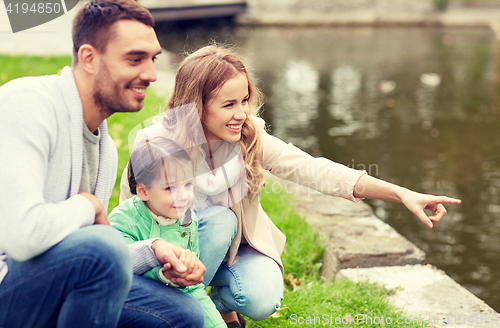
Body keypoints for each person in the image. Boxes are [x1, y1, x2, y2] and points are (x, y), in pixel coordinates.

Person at [120, 44, 462, 327]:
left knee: (262, 298)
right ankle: (183, 306)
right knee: (218, 225)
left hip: (233, 250)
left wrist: (402, 193)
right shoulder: (155, 144)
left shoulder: (248, 137)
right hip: (169, 256)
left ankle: (219, 301)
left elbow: (314, 169)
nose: (241, 113)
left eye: (244, 101)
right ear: (197, 106)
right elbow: (130, 212)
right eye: (228, 104)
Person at [0, 1, 206, 327]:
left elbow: (86, 258)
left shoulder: (105, 148)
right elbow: (23, 238)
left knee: (184, 315)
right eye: (134, 59)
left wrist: (154, 249)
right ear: (89, 58)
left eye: (152, 59)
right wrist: (88, 204)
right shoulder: (28, 105)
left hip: (47, 281)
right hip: (6, 283)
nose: (151, 74)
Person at [110, 136, 227, 328]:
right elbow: (120, 271)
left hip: (178, 292)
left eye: (188, 185)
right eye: (170, 188)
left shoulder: (187, 219)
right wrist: (162, 274)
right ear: (144, 191)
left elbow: (194, 289)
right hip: (132, 299)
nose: (183, 196)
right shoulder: (124, 220)